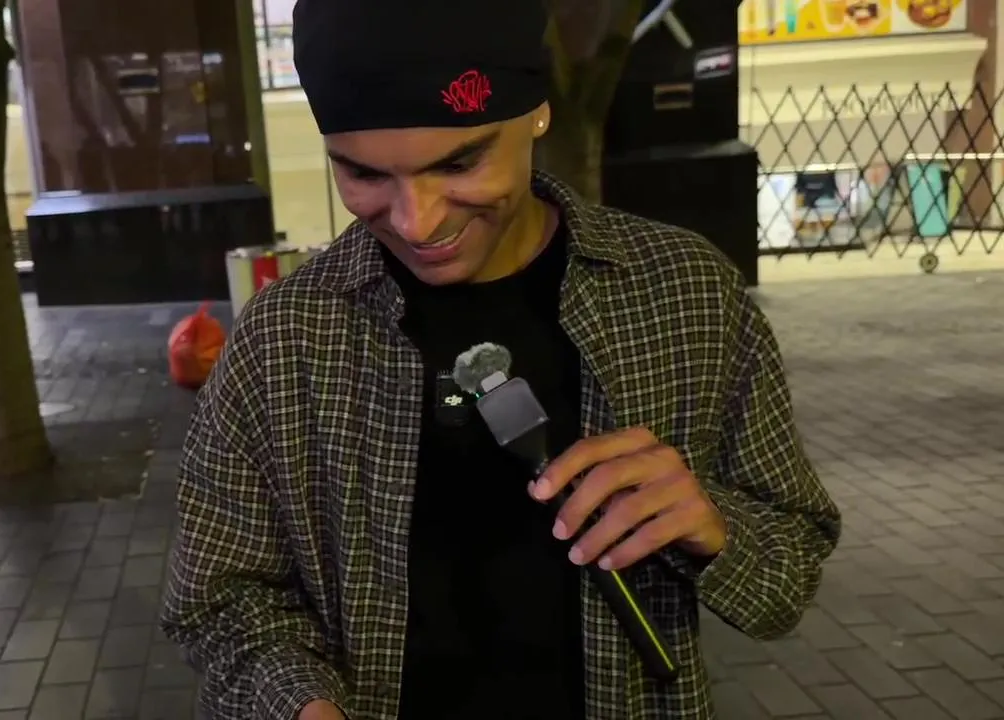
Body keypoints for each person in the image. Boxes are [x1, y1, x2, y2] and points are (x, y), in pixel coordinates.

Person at [160, 0, 842, 717]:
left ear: (537, 111)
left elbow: (787, 575)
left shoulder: (682, 293)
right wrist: (302, 706)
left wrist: (712, 525)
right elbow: (217, 599)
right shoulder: (287, 335)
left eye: (460, 162)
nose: (417, 221)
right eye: (363, 174)